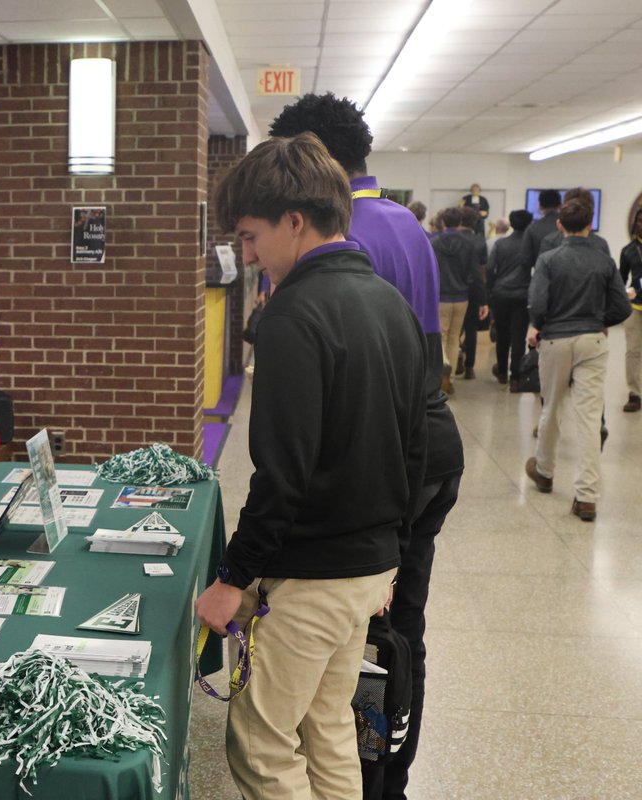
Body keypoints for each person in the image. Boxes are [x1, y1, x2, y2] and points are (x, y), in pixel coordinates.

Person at [197, 132, 427, 800]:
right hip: (368, 570)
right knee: (327, 726)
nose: (247, 255)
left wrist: (231, 579)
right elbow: (417, 450)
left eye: (250, 236)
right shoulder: (391, 305)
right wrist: (395, 559)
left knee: (262, 744)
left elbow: (283, 475)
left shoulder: (293, 314)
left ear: (295, 221)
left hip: (314, 576)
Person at [269, 91, 464, 800]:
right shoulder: (406, 224)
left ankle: (370, 778)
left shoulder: (344, 237)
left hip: (393, 455)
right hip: (432, 442)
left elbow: (353, 399)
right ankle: (387, 778)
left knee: (367, 638)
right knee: (403, 624)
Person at [524, 197, 632, 522]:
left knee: (551, 406)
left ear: (560, 225)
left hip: (555, 339)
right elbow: (622, 307)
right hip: (593, 340)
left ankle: (544, 471)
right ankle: (586, 497)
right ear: (590, 225)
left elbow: (538, 303)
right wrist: (601, 322)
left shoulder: (548, 259)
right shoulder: (603, 261)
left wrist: (538, 326)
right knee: (587, 417)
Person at [431, 206, 486, 392]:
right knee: (454, 337)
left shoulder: (434, 243)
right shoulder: (469, 244)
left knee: (441, 335)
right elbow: (476, 274)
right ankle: (451, 377)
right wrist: (483, 300)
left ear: (443, 222)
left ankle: (442, 368)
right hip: (462, 297)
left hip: (440, 297)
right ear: (461, 222)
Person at [487, 210, 535, 391]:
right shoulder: (529, 246)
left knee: (502, 335)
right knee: (518, 337)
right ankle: (516, 377)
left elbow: (491, 268)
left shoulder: (501, 244)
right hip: (522, 294)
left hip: (501, 294)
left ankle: (501, 372)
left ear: (512, 224)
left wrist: (491, 290)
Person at [456, 206, 489, 380]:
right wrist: (484, 299)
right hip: (474, 289)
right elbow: (482, 272)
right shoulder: (479, 242)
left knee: (453, 330)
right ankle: (470, 367)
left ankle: (454, 359)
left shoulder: (451, 238)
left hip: (454, 288)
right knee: (471, 329)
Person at [621, 205, 642, 412]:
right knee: (633, 351)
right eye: (639, 221)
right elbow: (620, 280)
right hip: (635, 308)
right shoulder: (628, 251)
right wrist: (625, 292)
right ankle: (634, 393)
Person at [522, 188, 561, 271]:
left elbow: (525, 260)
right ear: (560, 205)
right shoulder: (571, 226)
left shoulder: (532, 228)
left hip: (542, 276)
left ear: (540, 206)